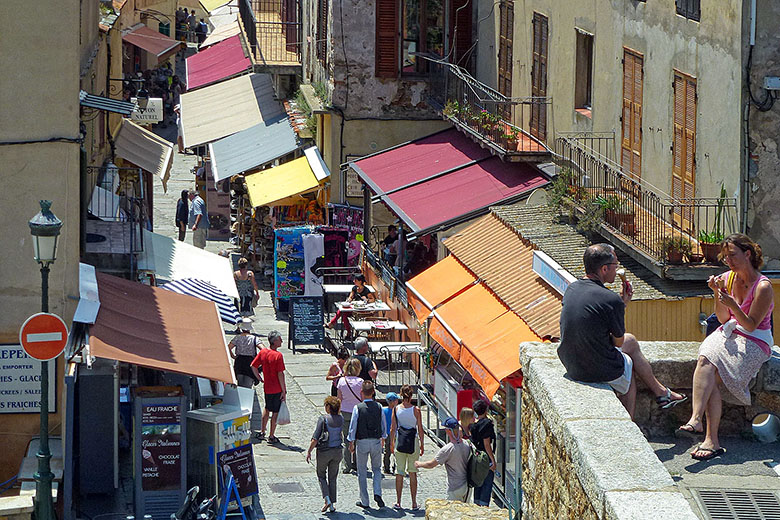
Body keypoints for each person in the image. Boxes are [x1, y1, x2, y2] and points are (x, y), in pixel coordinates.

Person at [557, 243, 687, 419]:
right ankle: (629, 422)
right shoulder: (611, 300)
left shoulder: (572, 288)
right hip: (592, 368)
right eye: (615, 265)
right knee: (627, 367)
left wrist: (621, 304)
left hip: (570, 363)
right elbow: (618, 342)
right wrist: (620, 305)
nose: (617, 269)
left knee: (631, 341)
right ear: (604, 269)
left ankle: (661, 392)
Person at [677, 234, 774, 461]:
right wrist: (717, 294)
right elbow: (722, 319)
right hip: (730, 330)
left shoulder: (763, 286)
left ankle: (711, 440)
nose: (728, 261)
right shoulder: (728, 278)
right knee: (705, 360)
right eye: (726, 256)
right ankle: (696, 420)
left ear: (747, 254)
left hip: (755, 339)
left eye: (733, 255)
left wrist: (731, 303)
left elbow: (750, 325)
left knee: (714, 375)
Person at [347, 381, 387, 509]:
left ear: (362, 393)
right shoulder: (379, 407)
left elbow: (353, 426)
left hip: (362, 441)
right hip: (376, 440)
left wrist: (351, 441)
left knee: (362, 471)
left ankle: (365, 501)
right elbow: (383, 425)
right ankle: (377, 492)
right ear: (373, 392)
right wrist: (383, 438)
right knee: (377, 469)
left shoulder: (357, 408)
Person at [415, 417, 470, 502]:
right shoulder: (466, 444)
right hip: (467, 485)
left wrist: (419, 464)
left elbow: (431, 464)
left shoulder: (448, 449)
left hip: (455, 487)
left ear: (448, 431)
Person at [389, 385, 424, 510]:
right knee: (413, 472)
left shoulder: (396, 409)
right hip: (413, 442)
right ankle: (414, 503)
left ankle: (398, 502)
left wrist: (391, 443)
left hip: (400, 441)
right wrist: (422, 444)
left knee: (399, 472)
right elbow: (420, 428)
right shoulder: (416, 410)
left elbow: (393, 428)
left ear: (401, 395)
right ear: (411, 395)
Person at [306, 396, 344, 513]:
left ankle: (327, 499)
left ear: (328, 407)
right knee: (333, 477)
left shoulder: (323, 419)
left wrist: (309, 451)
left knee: (321, 475)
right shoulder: (341, 419)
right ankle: (331, 504)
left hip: (324, 452)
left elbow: (315, 438)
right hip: (337, 451)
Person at [250, 331, 286, 443]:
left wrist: (259, 378)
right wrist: (283, 390)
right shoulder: (278, 356)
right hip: (276, 388)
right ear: (275, 341)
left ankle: (262, 431)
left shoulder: (263, 352)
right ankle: (271, 435)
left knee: (266, 408)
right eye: (280, 339)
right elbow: (280, 374)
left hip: (267, 387)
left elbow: (253, 366)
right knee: (275, 412)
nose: (281, 341)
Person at [336, 358, 363, 473]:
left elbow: (339, 399)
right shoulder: (361, 382)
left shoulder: (342, 381)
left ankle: (347, 465)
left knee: (346, 439)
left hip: (344, 412)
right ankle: (357, 463)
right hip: (357, 413)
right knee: (357, 439)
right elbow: (362, 400)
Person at [470, 400, 497, 506]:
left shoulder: (474, 425)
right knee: (487, 483)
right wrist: (493, 460)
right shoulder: (487, 424)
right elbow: (487, 444)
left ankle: (477, 504)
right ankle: (484, 506)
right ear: (486, 410)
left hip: (476, 457)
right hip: (485, 458)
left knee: (478, 481)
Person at [228, 318, 261, 387]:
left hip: (239, 361)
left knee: (240, 383)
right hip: (250, 362)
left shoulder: (237, 338)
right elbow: (263, 349)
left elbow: (228, 347)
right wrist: (258, 360)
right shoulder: (254, 339)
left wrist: (233, 356)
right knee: (248, 384)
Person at [381, 392, 399, 474]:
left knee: (387, 452)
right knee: (396, 452)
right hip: (394, 433)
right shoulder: (397, 410)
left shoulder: (384, 411)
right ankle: (395, 467)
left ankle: (386, 468)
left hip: (387, 433)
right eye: (396, 400)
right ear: (392, 401)